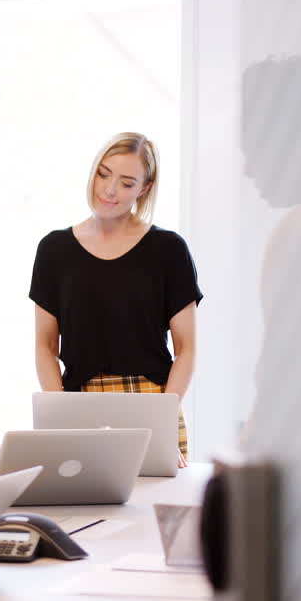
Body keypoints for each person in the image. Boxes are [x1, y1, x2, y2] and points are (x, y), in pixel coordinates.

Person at [30, 132, 201, 465]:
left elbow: (187, 348)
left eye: (126, 183)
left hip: (152, 404)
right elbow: (44, 346)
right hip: (78, 404)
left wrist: (161, 420)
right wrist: (61, 415)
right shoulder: (54, 250)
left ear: (144, 188)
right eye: (104, 174)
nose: (109, 190)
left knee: (155, 514)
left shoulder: (169, 250)